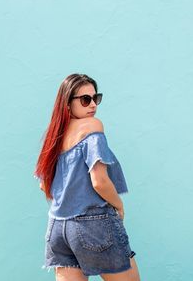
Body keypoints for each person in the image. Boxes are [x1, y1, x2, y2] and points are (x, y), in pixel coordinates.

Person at [34, 73, 141, 281]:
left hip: (57, 227)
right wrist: (118, 204)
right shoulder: (93, 126)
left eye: (96, 98)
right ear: (67, 103)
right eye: (85, 100)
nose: (92, 105)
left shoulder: (54, 135)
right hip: (93, 224)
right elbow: (99, 181)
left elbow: (43, 185)